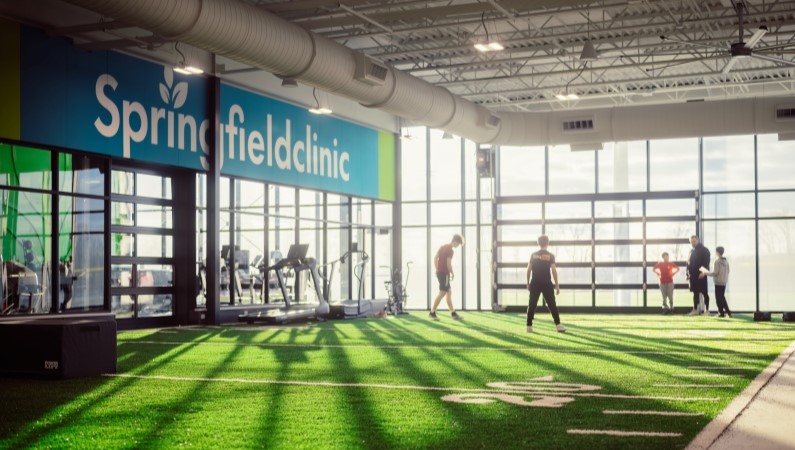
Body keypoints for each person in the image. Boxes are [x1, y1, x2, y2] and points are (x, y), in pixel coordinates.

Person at [526, 235, 566, 333]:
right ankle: (558, 325)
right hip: (546, 283)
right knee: (552, 304)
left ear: (538, 243)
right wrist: (557, 285)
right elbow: (553, 270)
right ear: (548, 243)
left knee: (532, 304)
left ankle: (529, 326)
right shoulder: (550, 255)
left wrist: (527, 283)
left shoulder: (533, 255)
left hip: (535, 282)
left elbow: (528, 269)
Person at [429, 234, 464, 321]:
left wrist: (437, 269)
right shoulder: (450, 250)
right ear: (455, 241)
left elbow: (435, 258)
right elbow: (448, 264)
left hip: (440, 272)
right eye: (458, 244)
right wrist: (452, 273)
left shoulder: (443, 246)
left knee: (449, 292)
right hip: (444, 274)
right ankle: (432, 312)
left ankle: (453, 313)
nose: (457, 246)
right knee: (443, 292)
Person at [686, 235, 711, 316]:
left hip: (701, 275)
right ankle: (695, 310)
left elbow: (707, 263)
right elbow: (688, 263)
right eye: (691, 241)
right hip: (692, 276)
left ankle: (707, 310)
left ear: (698, 240)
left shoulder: (705, 250)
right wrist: (687, 274)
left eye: (694, 241)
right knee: (695, 293)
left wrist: (703, 272)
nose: (693, 243)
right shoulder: (691, 251)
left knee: (704, 293)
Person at [706, 246, 731, 318]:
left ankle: (721, 313)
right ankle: (728, 312)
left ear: (717, 252)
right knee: (722, 297)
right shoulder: (726, 261)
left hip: (718, 282)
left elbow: (715, 273)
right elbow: (729, 271)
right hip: (724, 282)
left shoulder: (717, 262)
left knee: (718, 298)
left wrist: (706, 273)